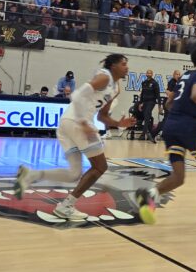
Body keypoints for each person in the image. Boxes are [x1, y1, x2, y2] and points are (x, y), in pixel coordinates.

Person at [14, 53, 135, 222]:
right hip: (77, 122)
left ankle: (31, 176)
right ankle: (66, 206)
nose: (126, 67)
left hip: (67, 123)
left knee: (74, 174)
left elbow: (102, 116)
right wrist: (83, 121)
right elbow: (77, 95)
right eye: (123, 64)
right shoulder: (104, 77)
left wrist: (119, 124)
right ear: (113, 66)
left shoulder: (116, 88)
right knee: (100, 167)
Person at [135, 46, 196, 228]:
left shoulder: (184, 77)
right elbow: (195, 95)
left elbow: (169, 103)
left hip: (171, 127)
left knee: (179, 177)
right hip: (188, 127)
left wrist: (184, 114)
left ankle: (151, 194)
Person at [137, 69, 162, 143]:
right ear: (146, 74)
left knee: (147, 114)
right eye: (147, 73)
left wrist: (159, 106)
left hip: (151, 102)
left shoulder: (154, 83)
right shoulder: (144, 83)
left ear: (152, 74)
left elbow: (158, 95)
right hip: (144, 102)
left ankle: (143, 134)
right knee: (147, 116)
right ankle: (150, 132)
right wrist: (140, 103)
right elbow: (142, 94)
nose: (149, 74)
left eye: (150, 73)